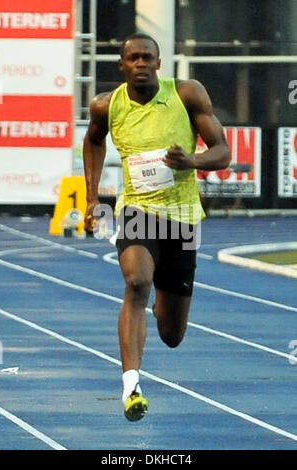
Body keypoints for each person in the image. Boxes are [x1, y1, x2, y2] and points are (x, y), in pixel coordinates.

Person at [83, 33, 231, 422]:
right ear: (122, 65)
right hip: (137, 210)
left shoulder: (187, 94)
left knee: (171, 333)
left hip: (181, 218)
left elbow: (222, 150)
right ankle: (131, 385)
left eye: (148, 57)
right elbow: (93, 142)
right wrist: (92, 197)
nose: (141, 64)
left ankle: (158, 336)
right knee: (136, 283)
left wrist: (193, 162)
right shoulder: (106, 105)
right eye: (133, 58)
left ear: (159, 63)